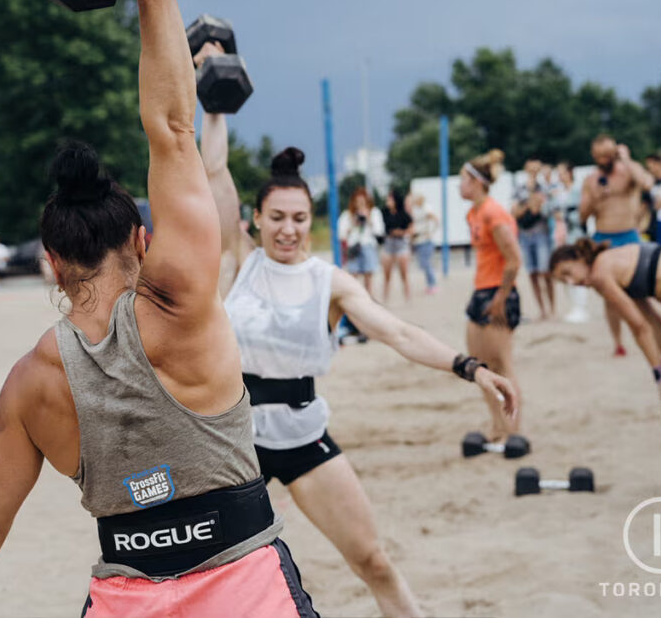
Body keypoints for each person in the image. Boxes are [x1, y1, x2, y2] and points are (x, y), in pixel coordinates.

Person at [0, 0, 317, 616]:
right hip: (245, 592)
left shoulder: (32, 384)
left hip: (124, 602)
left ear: (52, 260)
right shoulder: (179, 302)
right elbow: (171, 129)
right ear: (142, 239)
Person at [197, 62, 518, 617]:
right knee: (211, 573)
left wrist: (471, 368)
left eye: (299, 217)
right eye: (276, 217)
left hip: (302, 435)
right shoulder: (239, 261)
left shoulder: (330, 282)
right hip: (234, 440)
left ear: (312, 218)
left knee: (372, 560)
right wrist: (214, 103)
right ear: (256, 218)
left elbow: (398, 333)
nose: (288, 229)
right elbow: (213, 170)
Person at [550, 238, 661, 504]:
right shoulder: (618, 259)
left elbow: (639, 327)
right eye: (562, 281)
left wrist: (660, 374)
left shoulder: (601, 273)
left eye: (567, 272)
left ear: (581, 257)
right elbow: (653, 320)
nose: (571, 282)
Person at [460, 149, 525, 441]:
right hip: (481, 290)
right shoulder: (473, 212)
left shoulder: (493, 212)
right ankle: (498, 426)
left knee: (502, 364)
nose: (459, 186)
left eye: (463, 180)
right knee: (479, 367)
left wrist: (501, 298)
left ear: (476, 182)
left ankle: (512, 429)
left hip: (498, 292)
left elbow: (514, 259)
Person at [579, 135, 657, 356]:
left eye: (607, 154)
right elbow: (582, 216)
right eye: (598, 156)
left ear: (615, 152)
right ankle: (618, 342)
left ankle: (648, 335)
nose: (603, 159)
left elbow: (648, 184)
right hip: (603, 237)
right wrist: (595, 199)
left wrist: (628, 159)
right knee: (610, 295)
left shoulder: (628, 171)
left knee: (639, 292)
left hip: (629, 236)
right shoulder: (591, 179)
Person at [511, 158, 555, 319]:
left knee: (546, 272)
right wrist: (530, 202)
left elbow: (540, 210)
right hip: (525, 234)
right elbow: (515, 212)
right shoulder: (520, 188)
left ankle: (552, 309)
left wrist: (528, 205)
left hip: (541, 233)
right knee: (533, 273)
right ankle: (542, 310)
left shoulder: (545, 188)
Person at [549, 162, 588, 323]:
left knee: (577, 270)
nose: (560, 175)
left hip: (575, 235)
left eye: (562, 172)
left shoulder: (578, 191)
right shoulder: (558, 192)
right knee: (564, 271)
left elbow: (582, 213)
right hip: (561, 236)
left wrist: (564, 216)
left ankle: (581, 307)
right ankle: (573, 306)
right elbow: (548, 209)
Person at [338, 188, 384, 294]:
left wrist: (368, 219)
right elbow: (341, 234)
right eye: (357, 202)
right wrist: (353, 223)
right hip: (353, 247)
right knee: (353, 277)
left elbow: (379, 231)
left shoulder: (374, 212)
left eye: (362, 202)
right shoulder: (347, 215)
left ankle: (368, 302)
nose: (360, 204)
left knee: (369, 278)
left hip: (368, 245)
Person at [380, 187, 413, 302]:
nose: (388, 202)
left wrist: (402, 232)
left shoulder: (403, 214)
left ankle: (407, 297)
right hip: (388, 243)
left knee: (404, 274)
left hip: (401, 243)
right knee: (386, 275)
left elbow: (411, 228)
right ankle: (385, 298)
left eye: (390, 199)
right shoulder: (384, 212)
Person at [408, 193, 439, 295]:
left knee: (426, 263)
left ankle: (432, 284)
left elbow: (435, 220)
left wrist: (431, 232)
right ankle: (430, 284)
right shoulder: (416, 209)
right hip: (418, 240)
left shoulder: (426, 208)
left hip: (425, 239)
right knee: (423, 263)